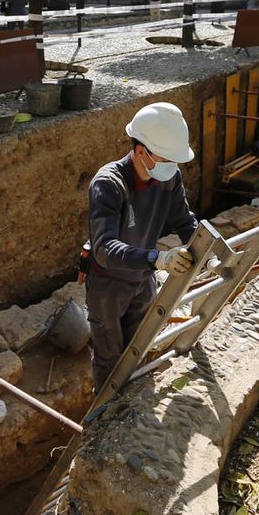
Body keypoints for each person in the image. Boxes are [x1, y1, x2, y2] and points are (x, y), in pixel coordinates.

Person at [85, 102, 198, 391]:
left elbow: (185, 223)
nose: (172, 168)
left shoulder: (167, 178)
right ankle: (104, 420)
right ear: (140, 152)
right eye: (166, 159)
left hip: (143, 278)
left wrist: (208, 251)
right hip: (108, 285)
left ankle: (134, 405)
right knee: (110, 357)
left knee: (140, 347)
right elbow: (104, 249)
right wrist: (159, 259)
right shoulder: (109, 184)